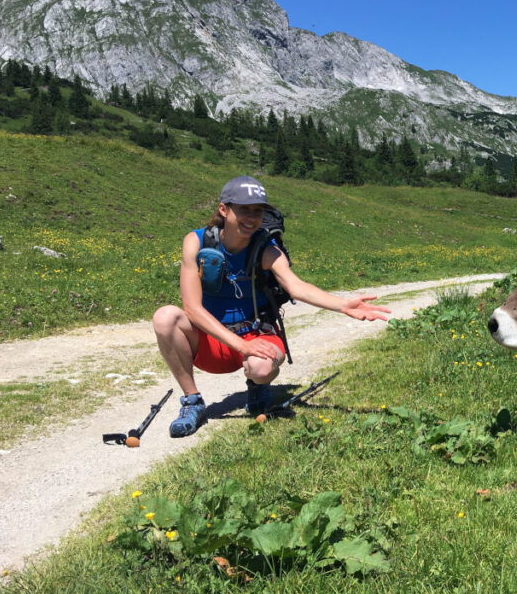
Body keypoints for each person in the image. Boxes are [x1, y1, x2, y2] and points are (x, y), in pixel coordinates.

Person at [152, 175, 391, 437]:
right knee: (165, 317)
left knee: (261, 368)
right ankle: (192, 401)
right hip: (215, 341)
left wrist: (343, 305)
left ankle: (258, 386)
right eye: (244, 209)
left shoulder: (266, 248)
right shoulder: (197, 242)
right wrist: (241, 345)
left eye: (258, 211)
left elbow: (296, 286)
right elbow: (192, 309)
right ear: (224, 209)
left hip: (256, 331)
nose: (251, 218)